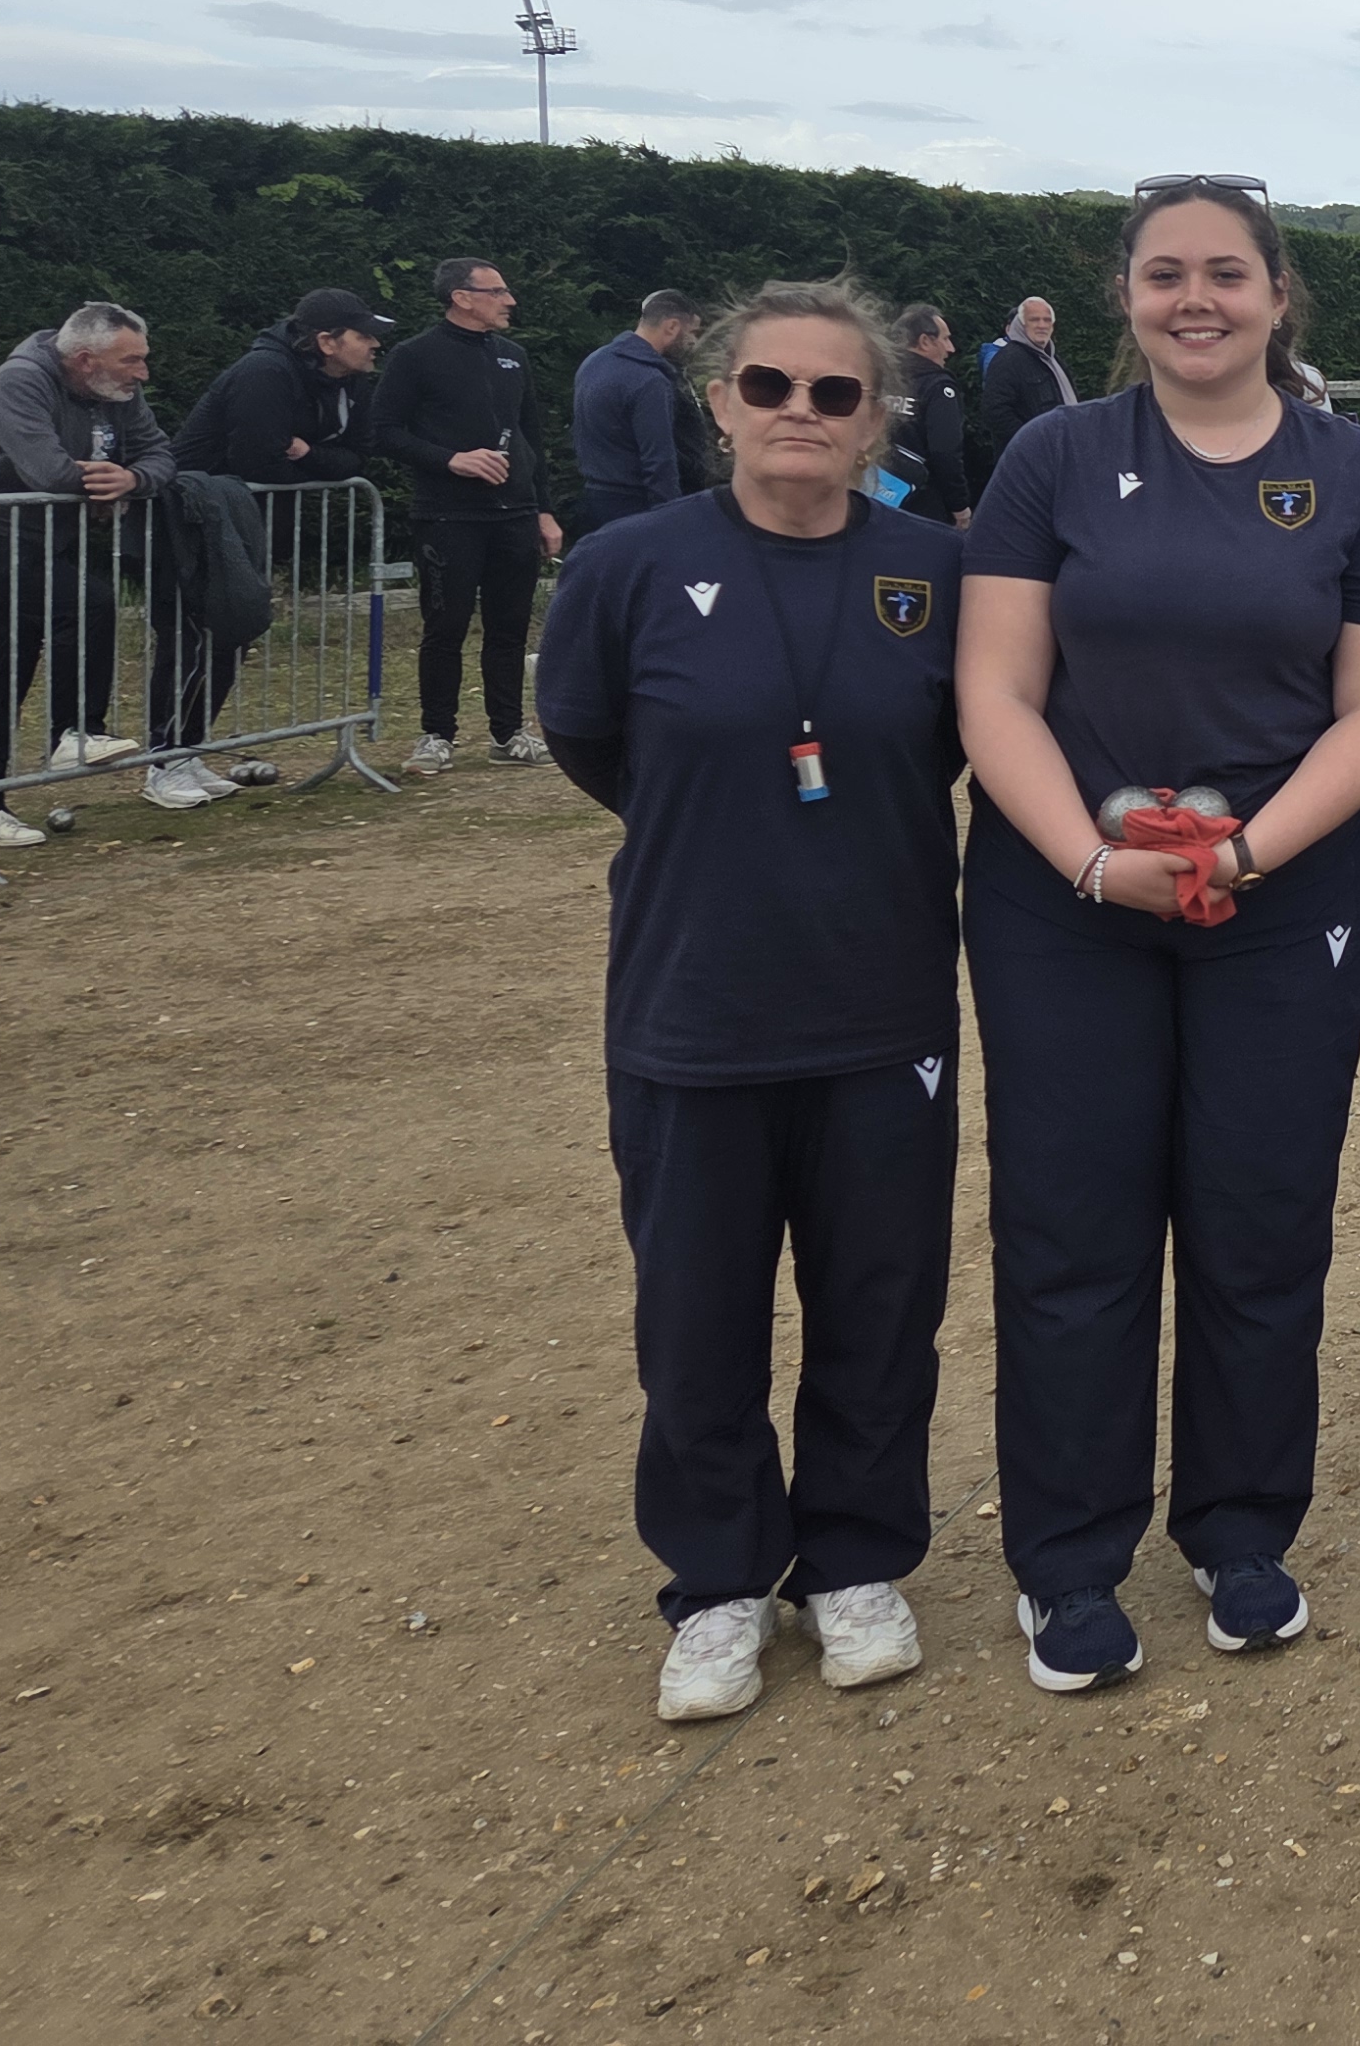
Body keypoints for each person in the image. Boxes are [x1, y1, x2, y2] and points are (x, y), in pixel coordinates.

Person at [955, 179, 1360, 1690]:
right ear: (1126, 295)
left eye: (1227, 272)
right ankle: (1069, 1562)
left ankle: (1240, 1532)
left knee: (1259, 1220)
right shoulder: (1053, 456)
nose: (1197, 300)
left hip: (1279, 906)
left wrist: (1244, 852)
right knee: (1073, 1229)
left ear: (1279, 295)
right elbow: (995, 692)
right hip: (1067, 905)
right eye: (1167, 275)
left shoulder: (1356, 474)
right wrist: (1096, 866)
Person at [533, 281, 967, 1723]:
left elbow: (974, 742)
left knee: (878, 1302)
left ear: (873, 420)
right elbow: (592, 740)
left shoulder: (932, 570)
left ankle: (852, 1560)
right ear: (717, 399)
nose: (802, 415)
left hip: (879, 1002)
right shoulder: (627, 566)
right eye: (771, 387)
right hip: (694, 1006)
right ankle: (716, 1582)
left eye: (836, 396)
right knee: (699, 1315)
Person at [0, 305, 173, 850]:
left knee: (4, 664)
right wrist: (109, 485)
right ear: (85, 359)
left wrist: (131, 476)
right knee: (89, 603)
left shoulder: (117, 392)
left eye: (142, 360)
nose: (143, 372)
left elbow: (159, 455)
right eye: (133, 360)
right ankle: (75, 733)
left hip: (34, 536)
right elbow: (49, 471)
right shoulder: (19, 383)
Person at [144, 285, 392, 809]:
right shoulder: (265, 373)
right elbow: (260, 462)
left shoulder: (353, 383)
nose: (375, 345)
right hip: (195, 518)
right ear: (327, 341)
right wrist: (315, 460)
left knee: (231, 636)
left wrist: (308, 455)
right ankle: (162, 760)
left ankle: (189, 751)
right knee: (193, 639)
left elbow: (359, 457)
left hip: (244, 523)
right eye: (364, 335)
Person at [370, 256, 566, 773]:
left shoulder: (513, 356)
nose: (510, 301)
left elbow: (533, 438)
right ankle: (437, 734)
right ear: (462, 297)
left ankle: (508, 733)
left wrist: (544, 511)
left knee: (510, 628)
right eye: (498, 291)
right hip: (447, 516)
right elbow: (383, 429)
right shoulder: (416, 356)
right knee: (445, 627)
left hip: (515, 513)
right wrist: (450, 460)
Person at [574, 292, 708, 530]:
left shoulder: (595, 361)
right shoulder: (649, 380)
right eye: (693, 333)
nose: (694, 343)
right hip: (635, 505)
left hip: (595, 498)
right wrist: (670, 519)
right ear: (672, 326)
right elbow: (659, 460)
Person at [885, 306, 975, 526]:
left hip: (872, 494)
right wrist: (959, 506)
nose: (951, 348)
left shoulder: (879, 378)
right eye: (945, 339)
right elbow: (944, 452)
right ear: (925, 342)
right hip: (922, 502)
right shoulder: (938, 386)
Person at [979, 295, 1077, 459]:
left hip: (1061, 453)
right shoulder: (1007, 360)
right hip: (1028, 460)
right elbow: (995, 412)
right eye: (1034, 320)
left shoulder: (1052, 359)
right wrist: (1032, 443)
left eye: (1047, 320)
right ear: (1021, 324)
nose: (1042, 325)